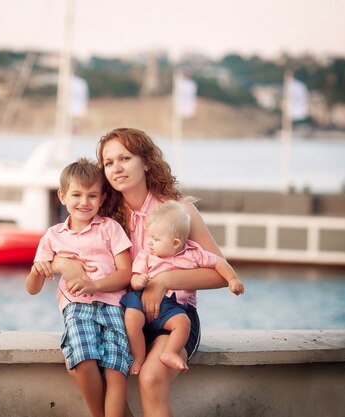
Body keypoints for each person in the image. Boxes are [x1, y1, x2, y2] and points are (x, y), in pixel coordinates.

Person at [52, 127, 237, 417]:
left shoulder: (179, 210)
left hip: (173, 317)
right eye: (109, 163)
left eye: (125, 158)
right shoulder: (103, 214)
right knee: (85, 365)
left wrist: (164, 280)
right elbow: (55, 248)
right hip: (124, 317)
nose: (116, 168)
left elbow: (220, 273)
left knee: (151, 379)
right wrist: (62, 264)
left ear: (146, 162)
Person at [25, 157, 134, 417]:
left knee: (116, 370)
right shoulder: (53, 237)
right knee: (83, 360)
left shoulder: (110, 228)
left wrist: (93, 284)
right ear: (62, 196)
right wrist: (37, 270)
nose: (84, 202)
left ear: (103, 198)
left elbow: (127, 273)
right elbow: (32, 288)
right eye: (76, 194)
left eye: (92, 195)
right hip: (77, 308)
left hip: (113, 307)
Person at [121, 200, 244, 375]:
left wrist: (233, 279)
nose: (149, 242)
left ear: (176, 243)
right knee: (131, 318)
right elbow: (134, 278)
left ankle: (170, 352)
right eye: (149, 236)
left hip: (172, 305)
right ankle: (138, 357)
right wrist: (138, 281)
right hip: (143, 300)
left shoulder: (193, 254)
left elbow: (218, 262)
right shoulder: (146, 255)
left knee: (183, 323)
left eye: (155, 239)